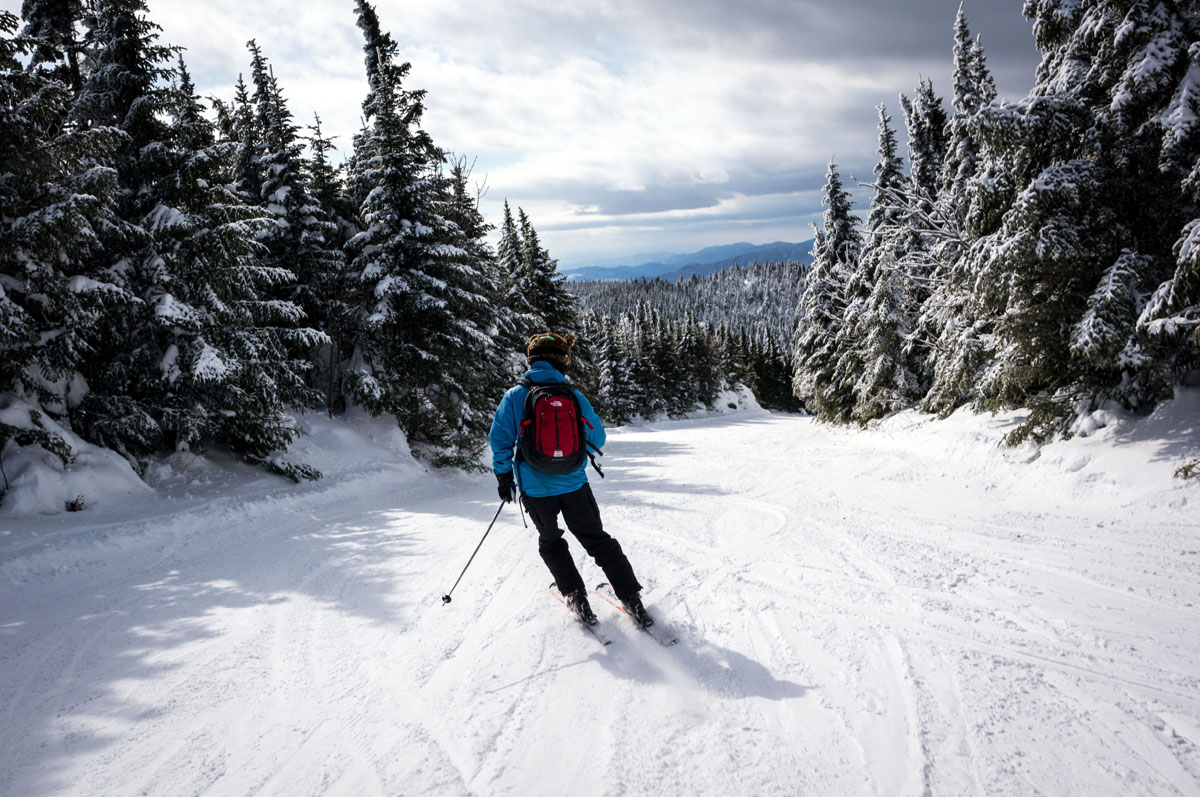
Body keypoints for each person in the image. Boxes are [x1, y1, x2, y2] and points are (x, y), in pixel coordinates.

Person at [489, 331, 653, 627]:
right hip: (575, 484)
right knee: (598, 540)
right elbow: (598, 437)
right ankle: (631, 597)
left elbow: (500, 440)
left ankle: (576, 595)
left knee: (550, 541)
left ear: (532, 359)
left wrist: (504, 476)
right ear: (562, 361)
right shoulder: (574, 396)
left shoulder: (515, 396)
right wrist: (572, 451)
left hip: (536, 490)